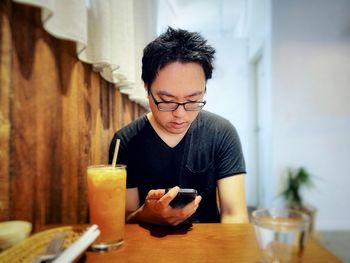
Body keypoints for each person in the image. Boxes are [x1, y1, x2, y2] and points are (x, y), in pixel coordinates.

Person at [109, 27, 248, 226]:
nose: (180, 114)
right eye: (167, 101)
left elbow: (235, 215)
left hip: (209, 249)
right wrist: (145, 214)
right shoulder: (125, 142)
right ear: (146, 87)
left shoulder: (222, 133)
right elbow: (125, 219)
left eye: (193, 100)